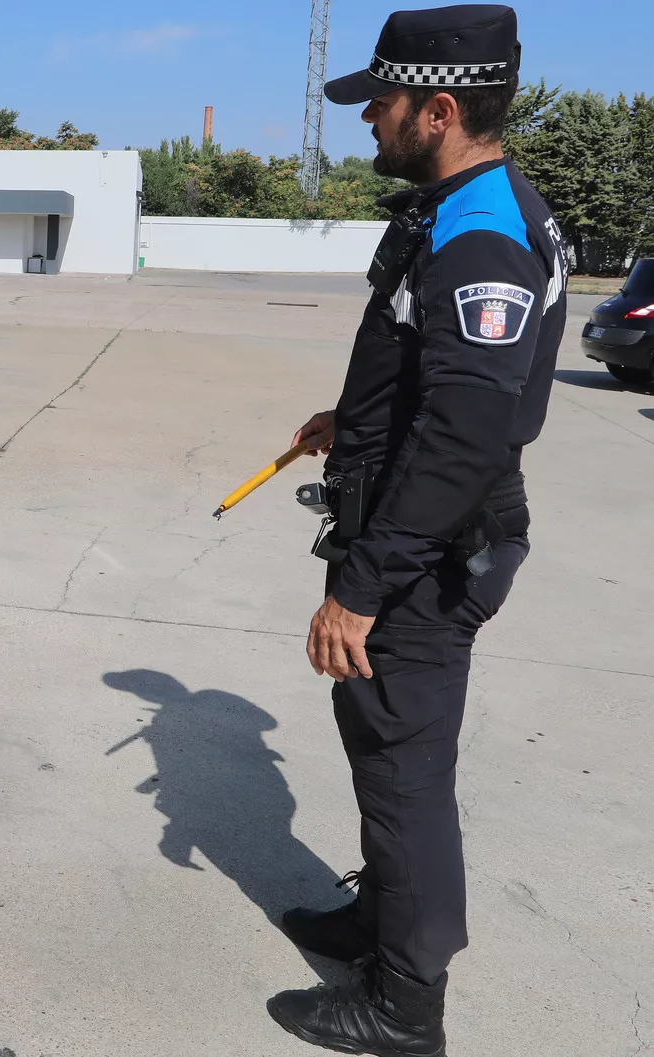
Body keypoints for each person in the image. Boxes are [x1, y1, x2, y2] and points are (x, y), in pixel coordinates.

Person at [269, 6, 567, 1055]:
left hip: (428, 556)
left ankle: (405, 1003)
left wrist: (362, 589)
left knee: (405, 770)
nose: (370, 120)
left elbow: (464, 439)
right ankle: (379, 921)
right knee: (379, 746)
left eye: (382, 104)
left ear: (438, 111)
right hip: (411, 534)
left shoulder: (482, 233)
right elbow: (432, 379)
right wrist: (351, 420)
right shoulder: (463, 207)